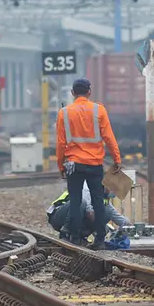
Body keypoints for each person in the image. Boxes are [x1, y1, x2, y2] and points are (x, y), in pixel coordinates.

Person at [55, 77, 122, 249]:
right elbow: (109, 137)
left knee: (76, 201)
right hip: (94, 164)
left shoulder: (64, 113)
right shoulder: (99, 110)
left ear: (72, 93)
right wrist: (117, 159)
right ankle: (100, 240)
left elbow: (61, 143)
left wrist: (60, 165)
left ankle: (75, 238)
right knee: (98, 202)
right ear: (89, 92)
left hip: (73, 164)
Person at [47, 183, 131, 241]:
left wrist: (131, 227)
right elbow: (89, 212)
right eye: (115, 190)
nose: (114, 194)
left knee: (107, 212)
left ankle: (80, 236)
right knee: (81, 203)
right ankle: (66, 233)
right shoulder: (87, 188)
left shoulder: (103, 196)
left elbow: (114, 215)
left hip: (75, 217)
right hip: (58, 216)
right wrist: (102, 229)